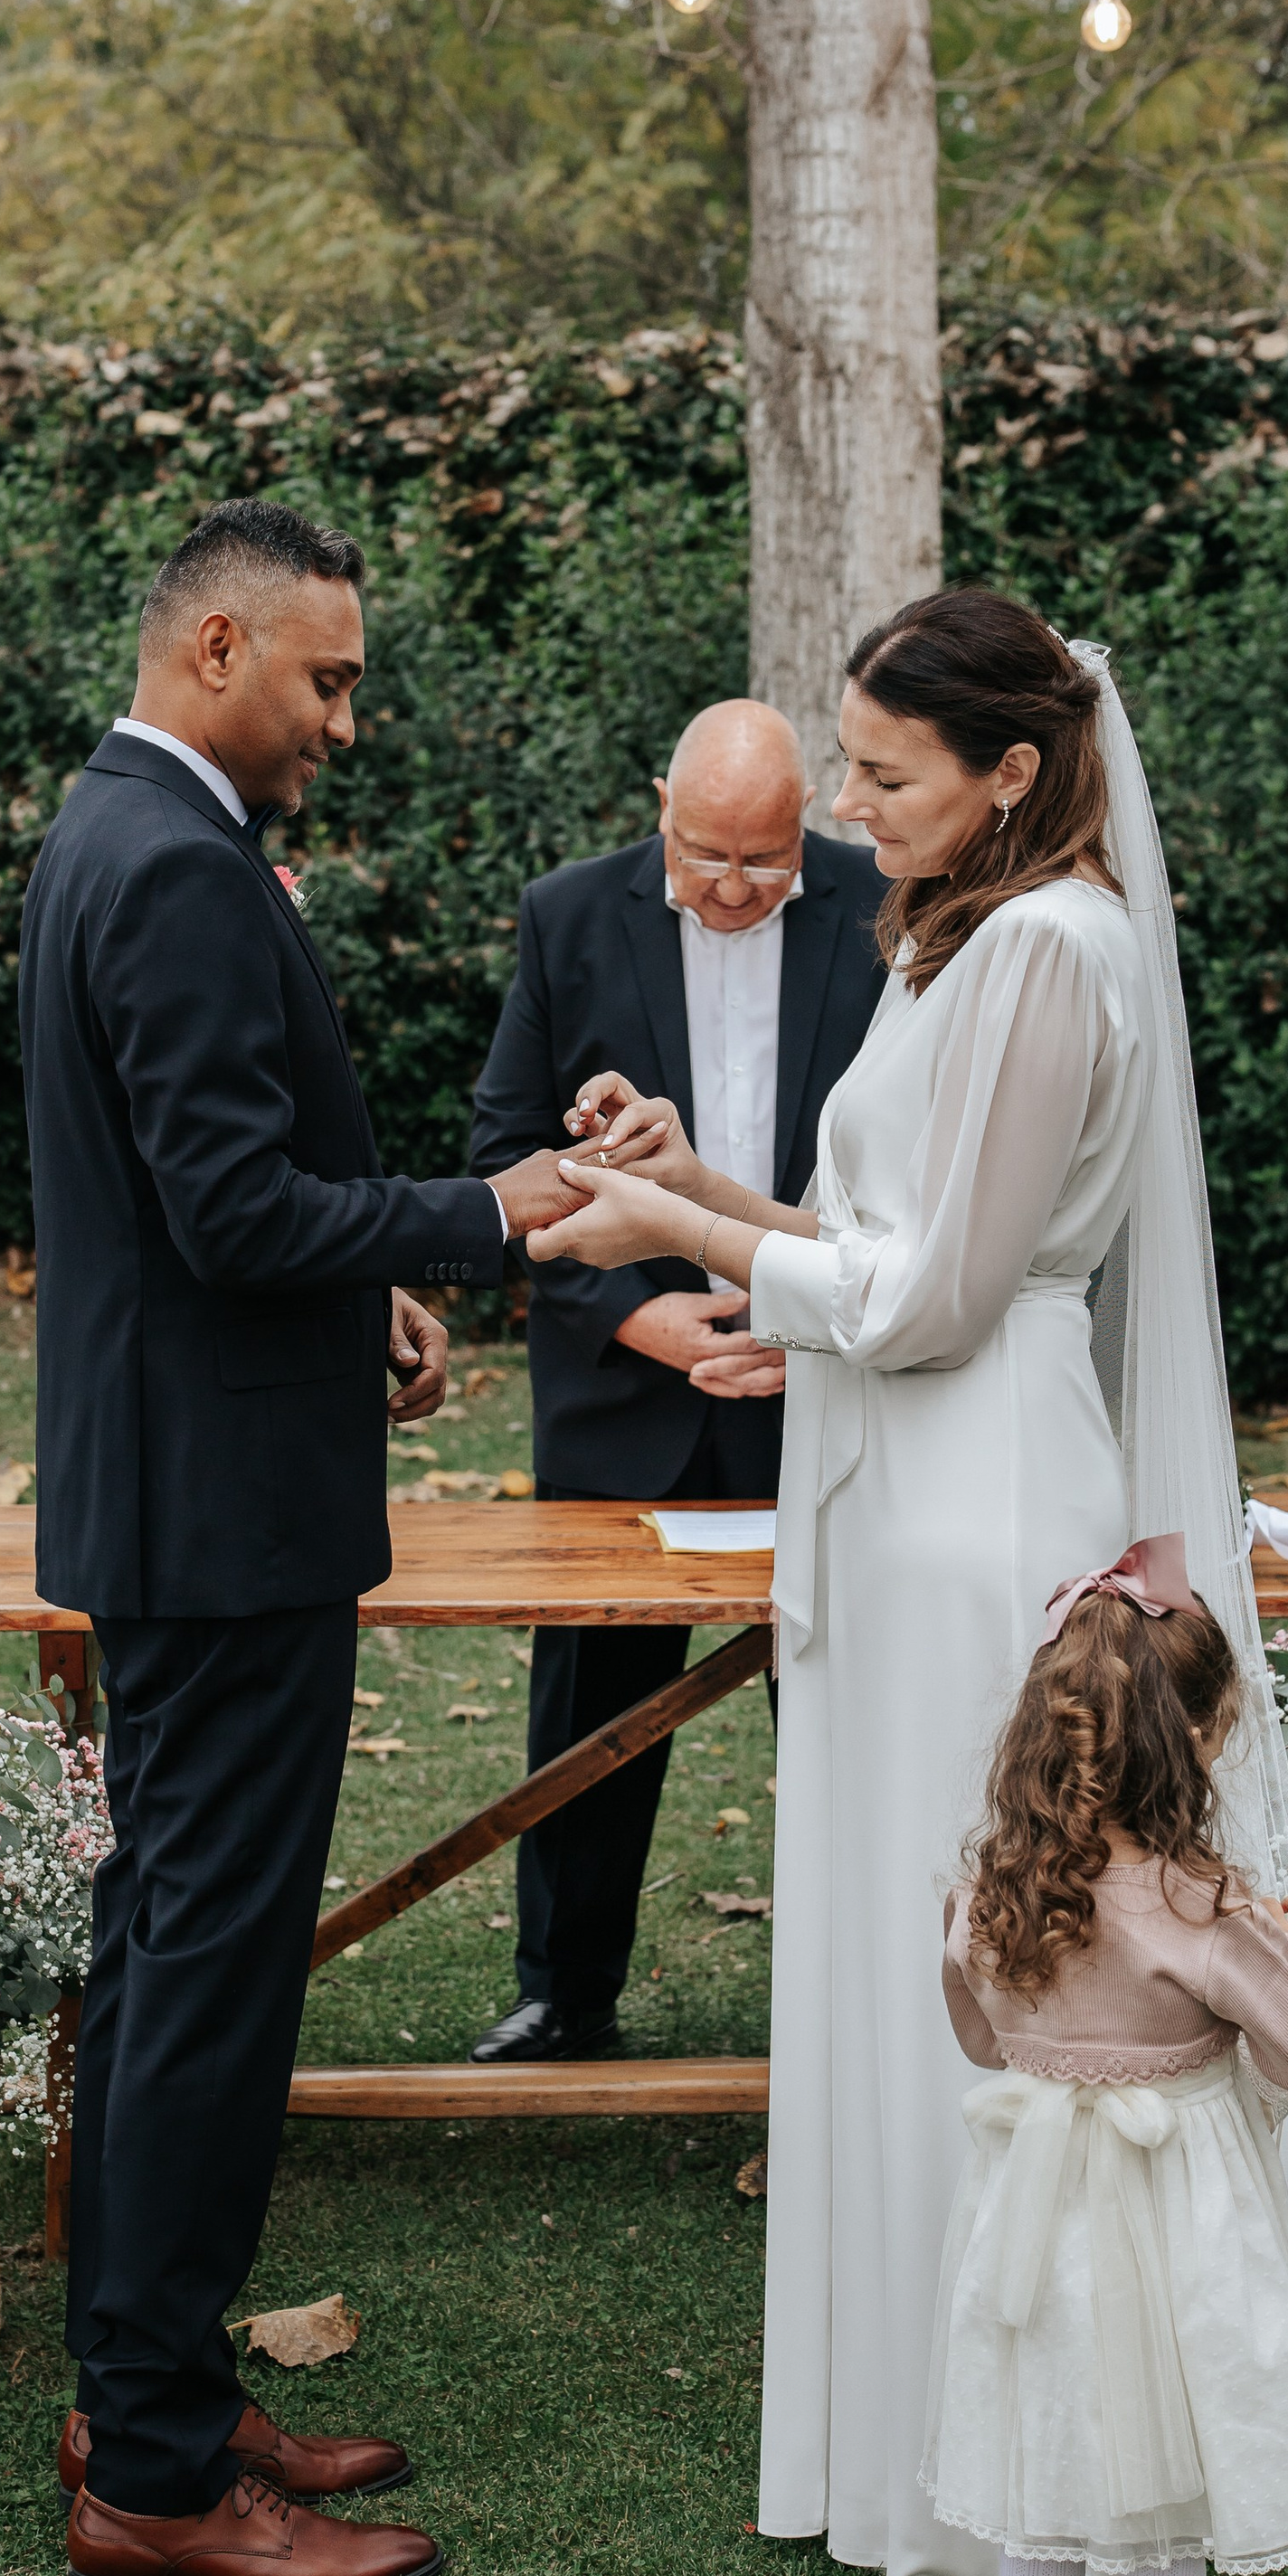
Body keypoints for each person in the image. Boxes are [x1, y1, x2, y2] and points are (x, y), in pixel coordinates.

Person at [526, 582, 1288, 2576]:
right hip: (894, 1486)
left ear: (1013, 771)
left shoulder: (1053, 946)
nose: (852, 809)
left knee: (1001, 1951)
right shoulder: (955, 937)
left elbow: (945, 1298)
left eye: (888, 775)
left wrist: (686, 1237)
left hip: (981, 1499)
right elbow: (872, 1234)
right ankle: (906, 2436)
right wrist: (685, 1188)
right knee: (904, 1941)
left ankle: (1019, 2472)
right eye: (851, 766)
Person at [19, 497, 574, 2576]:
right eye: (327, 681)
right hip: (220, 1518)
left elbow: (209, 1201)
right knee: (206, 1977)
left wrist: (371, 1302)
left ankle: (144, 2391)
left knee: (172, 1950)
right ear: (218, 648)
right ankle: (158, 2476)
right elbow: (231, 1209)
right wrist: (487, 1213)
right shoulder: (170, 862)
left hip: (191, 1485)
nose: (346, 721)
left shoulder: (117, 829)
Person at [464, 701, 885, 2063]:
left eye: (764, 860)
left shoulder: (889, 912)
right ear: (661, 806)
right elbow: (504, 1152)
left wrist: (809, 1316)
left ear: (806, 821)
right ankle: (563, 1990)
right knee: (591, 1707)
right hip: (624, 1398)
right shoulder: (568, 915)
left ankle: (856, 2005)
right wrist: (635, 1320)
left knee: (843, 1707)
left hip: (825, 1390)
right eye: (705, 855)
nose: (733, 886)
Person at [928, 1539, 1288, 2576]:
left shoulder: (989, 1894)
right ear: (1203, 1739)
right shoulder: (1203, 1908)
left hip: (1037, 2225)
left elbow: (981, 2044)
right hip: (1181, 2227)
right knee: (1165, 2488)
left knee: (1042, 2460)